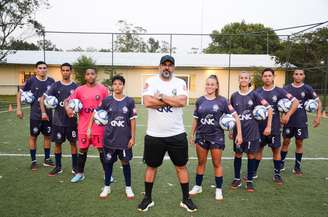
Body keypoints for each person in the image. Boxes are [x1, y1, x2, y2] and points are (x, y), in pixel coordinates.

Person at [137, 55, 197, 212]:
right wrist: (172, 100)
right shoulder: (151, 81)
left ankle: (186, 199)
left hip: (177, 134)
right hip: (154, 135)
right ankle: (147, 198)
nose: (167, 67)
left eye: (170, 65)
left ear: (174, 68)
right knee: (151, 166)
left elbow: (182, 102)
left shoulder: (180, 82)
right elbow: (148, 102)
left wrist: (162, 96)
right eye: (164, 64)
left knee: (181, 167)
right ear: (159, 66)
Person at [189, 75, 242, 200]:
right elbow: (196, 119)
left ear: (217, 86)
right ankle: (198, 186)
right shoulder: (200, 100)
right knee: (201, 162)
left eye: (212, 84)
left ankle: (218, 189)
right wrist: (192, 134)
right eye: (208, 84)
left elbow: (236, 117)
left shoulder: (223, 101)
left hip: (216, 137)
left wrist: (238, 133)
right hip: (201, 136)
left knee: (216, 164)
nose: (209, 86)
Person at [90, 75, 137, 199]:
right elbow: (96, 113)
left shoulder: (130, 101)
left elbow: (132, 120)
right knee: (108, 163)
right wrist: (90, 128)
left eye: (120, 84)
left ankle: (128, 187)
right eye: (115, 84)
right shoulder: (107, 101)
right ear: (112, 86)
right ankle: (107, 187)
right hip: (109, 139)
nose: (117, 86)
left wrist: (133, 137)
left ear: (123, 85)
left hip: (124, 140)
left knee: (125, 162)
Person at [254, 68, 298, 185]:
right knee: (258, 150)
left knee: (276, 151)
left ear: (273, 77)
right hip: (259, 127)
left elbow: (295, 102)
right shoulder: (257, 92)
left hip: (274, 127)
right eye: (265, 76)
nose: (267, 78)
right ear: (262, 78)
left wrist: (287, 115)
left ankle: (277, 174)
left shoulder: (280, 91)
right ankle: (253, 172)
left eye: (269, 76)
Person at [230, 71, 273, 192]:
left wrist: (268, 126)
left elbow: (269, 109)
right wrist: (230, 130)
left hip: (252, 131)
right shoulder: (234, 96)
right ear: (239, 80)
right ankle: (237, 178)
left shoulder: (255, 95)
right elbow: (231, 114)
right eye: (241, 78)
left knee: (251, 154)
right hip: (238, 132)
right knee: (238, 154)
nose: (243, 79)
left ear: (249, 80)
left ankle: (249, 180)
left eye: (246, 78)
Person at [66, 68, 109, 183]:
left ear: (96, 75)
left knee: (102, 150)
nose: (90, 76)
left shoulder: (103, 89)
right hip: (83, 127)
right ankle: (80, 173)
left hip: (99, 127)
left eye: (92, 74)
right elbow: (68, 101)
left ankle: (107, 174)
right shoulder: (79, 90)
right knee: (83, 150)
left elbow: (109, 105)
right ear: (85, 76)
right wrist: (68, 109)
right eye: (88, 74)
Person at [40, 63, 79, 176]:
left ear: (71, 71)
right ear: (61, 71)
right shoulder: (55, 85)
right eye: (63, 70)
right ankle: (58, 167)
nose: (65, 72)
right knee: (57, 144)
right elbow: (42, 99)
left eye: (67, 70)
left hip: (72, 121)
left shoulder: (75, 87)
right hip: (58, 122)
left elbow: (80, 103)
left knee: (73, 144)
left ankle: (75, 167)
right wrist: (43, 112)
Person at [281, 69, 321, 175]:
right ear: (293, 76)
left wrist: (318, 116)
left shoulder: (307, 88)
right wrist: (282, 116)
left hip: (301, 121)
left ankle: (297, 167)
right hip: (289, 121)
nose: (298, 76)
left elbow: (318, 101)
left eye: (301, 74)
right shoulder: (286, 88)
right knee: (285, 142)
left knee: (299, 142)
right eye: (296, 74)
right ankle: (281, 164)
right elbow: (281, 104)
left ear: (304, 76)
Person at [16, 61, 55, 170]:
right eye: (40, 68)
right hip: (35, 115)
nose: (42, 70)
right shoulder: (31, 80)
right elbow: (19, 94)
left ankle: (47, 159)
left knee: (47, 136)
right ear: (36, 70)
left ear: (47, 69)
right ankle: (33, 161)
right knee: (33, 137)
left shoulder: (51, 81)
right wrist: (19, 108)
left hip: (48, 115)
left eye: (44, 68)